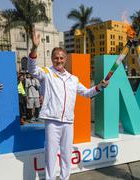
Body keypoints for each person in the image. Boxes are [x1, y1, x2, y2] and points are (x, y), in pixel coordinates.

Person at [28, 30, 109, 180]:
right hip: (52, 120)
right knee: (51, 154)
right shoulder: (46, 73)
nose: (58, 60)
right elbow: (32, 69)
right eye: (55, 58)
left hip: (68, 121)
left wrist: (100, 86)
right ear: (52, 59)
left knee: (66, 154)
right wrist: (34, 48)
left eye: (61, 58)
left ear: (65, 59)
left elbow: (87, 93)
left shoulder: (73, 79)